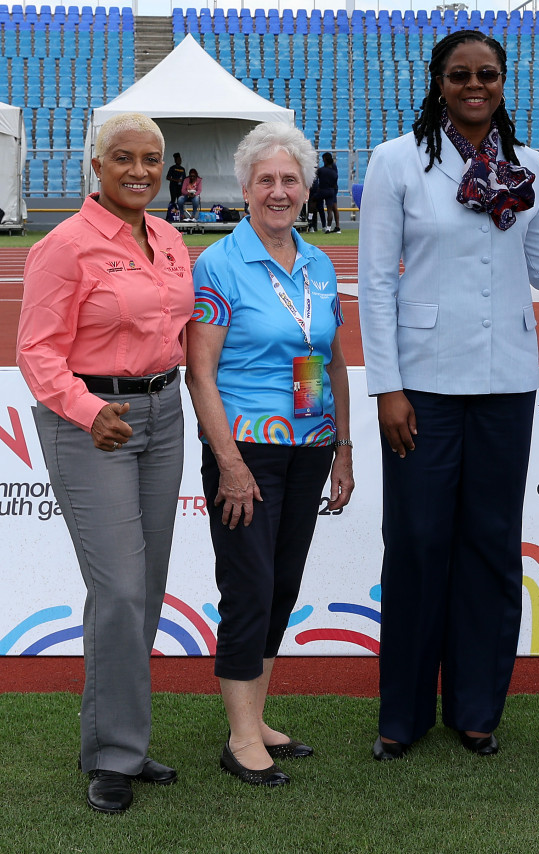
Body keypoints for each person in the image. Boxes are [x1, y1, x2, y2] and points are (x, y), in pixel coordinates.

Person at [357, 28, 539, 760]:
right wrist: (386, 387)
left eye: (486, 74)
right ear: (437, 82)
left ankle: (477, 710)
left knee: (490, 546)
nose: (473, 85)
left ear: (503, 82)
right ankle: (404, 716)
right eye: (459, 75)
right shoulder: (396, 162)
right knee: (416, 544)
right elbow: (377, 282)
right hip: (421, 385)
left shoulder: (527, 164)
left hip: (508, 381)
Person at [16, 112, 193, 815]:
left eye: (151, 159)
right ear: (96, 165)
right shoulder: (66, 245)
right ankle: (113, 755)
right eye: (124, 158)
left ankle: (125, 740)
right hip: (93, 424)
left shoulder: (171, 237)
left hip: (164, 413)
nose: (140, 171)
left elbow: (182, 326)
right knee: (118, 587)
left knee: (145, 588)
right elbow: (36, 351)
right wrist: (90, 413)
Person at [185, 121, 354, 788]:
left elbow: (325, 358)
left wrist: (340, 445)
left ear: (305, 187)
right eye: (266, 181)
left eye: (289, 180)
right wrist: (227, 460)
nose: (278, 192)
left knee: (281, 586)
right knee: (248, 587)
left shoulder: (317, 263)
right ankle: (239, 736)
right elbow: (202, 371)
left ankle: (258, 719)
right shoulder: (220, 263)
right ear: (245, 190)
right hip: (245, 449)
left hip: (308, 446)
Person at [312, 152, 340, 233]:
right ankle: (330, 227)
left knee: (333, 208)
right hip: (331, 189)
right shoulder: (331, 168)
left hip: (329, 189)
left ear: (325, 159)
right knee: (331, 208)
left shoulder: (328, 168)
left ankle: (310, 221)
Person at [166, 152, 187, 217]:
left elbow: (185, 179)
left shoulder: (182, 169)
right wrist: (176, 180)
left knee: (180, 200)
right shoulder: (172, 168)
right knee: (173, 199)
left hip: (180, 187)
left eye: (180, 160)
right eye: (178, 160)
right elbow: (168, 177)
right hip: (173, 186)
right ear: (175, 160)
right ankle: (169, 214)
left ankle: (181, 215)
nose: (179, 161)